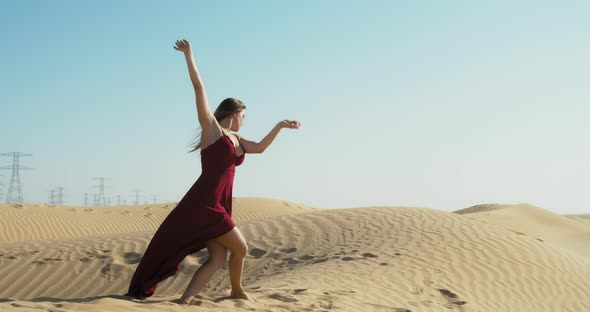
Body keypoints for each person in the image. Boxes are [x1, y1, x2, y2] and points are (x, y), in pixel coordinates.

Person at [124, 39, 301, 304]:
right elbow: (199, 87)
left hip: (219, 203)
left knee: (218, 258)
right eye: (244, 115)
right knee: (240, 248)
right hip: (205, 205)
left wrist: (279, 126)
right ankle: (237, 291)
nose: (245, 120)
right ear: (234, 113)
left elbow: (261, 148)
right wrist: (189, 55)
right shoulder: (212, 132)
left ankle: (184, 301)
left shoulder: (238, 141)